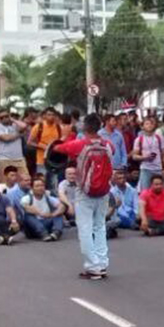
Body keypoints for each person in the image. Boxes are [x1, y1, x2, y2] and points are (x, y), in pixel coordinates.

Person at [52, 113, 114, 280]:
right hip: (104, 191)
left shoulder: (80, 145)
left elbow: (57, 149)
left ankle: (92, 267)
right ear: (100, 126)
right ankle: (102, 264)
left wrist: (64, 136)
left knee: (85, 229)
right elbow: (113, 152)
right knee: (100, 227)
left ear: (85, 127)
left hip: (84, 192)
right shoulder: (107, 144)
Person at [21, 176, 65, 241]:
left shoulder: (48, 197)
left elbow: (62, 206)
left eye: (42, 186)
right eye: (37, 186)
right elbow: (27, 207)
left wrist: (53, 214)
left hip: (46, 222)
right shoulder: (27, 198)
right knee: (28, 216)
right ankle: (43, 233)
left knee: (59, 214)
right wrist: (41, 214)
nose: (40, 188)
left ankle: (56, 232)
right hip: (32, 227)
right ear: (32, 188)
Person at [131, 115, 164, 190]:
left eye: (151, 123)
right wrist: (145, 157)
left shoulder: (159, 138)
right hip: (145, 169)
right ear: (142, 126)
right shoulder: (139, 139)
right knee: (145, 192)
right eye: (147, 124)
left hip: (158, 168)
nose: (149, 125)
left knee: (161, 191)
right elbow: (134, 156)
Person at [28, 107, 62, 186]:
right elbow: (30, 142)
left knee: (54, 183)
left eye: (53, 115)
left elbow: (60, 141)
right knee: (41, 181)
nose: (51, 117)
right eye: (49, 115)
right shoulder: (38, 127)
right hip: (41, 160)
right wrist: (42, 146)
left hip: (54, 160)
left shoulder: (58, 127)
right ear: (44, 116)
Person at [0, 110, 28, 176]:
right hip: (4, 159)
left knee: (25, 179)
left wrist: (13, 120)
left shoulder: (15, 126)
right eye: (1, 117)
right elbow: (6, 138)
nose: (4, 118)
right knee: (4, 183)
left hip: (19, 158)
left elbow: (24, 126)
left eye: (6, 116)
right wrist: (19, 135)